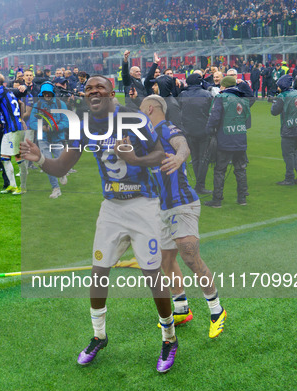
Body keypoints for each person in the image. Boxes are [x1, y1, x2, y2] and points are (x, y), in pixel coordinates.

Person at [20, 75, 179, 373]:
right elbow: (61, 166)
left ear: (110, 93)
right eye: (89, 89)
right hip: (111, 208)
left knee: (152, 275)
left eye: (100, 88)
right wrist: (41, 159)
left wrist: (134, 158)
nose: (94, 92)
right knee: (98, 272)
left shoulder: (133, 119)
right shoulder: (83, 126)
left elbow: (160, 154)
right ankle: (98, 335)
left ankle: (169, 339)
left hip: (143, 204)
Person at [140, 95, 226, 337]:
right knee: (165, 260)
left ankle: (216, 309)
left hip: (182, 204)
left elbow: (183, 145)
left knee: (190, 258)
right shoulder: (147, 137)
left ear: (149, 108)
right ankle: (181, 309)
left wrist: (179, 157)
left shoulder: (166, 128)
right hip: (162, 208)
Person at [204, 76, 253, 207]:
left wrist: (209, 131)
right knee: (241, 169)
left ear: (224, 86)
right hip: (241, 138)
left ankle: (217, 200)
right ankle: (242, 198)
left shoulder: (221, 98)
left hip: (225, 139)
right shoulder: (243, 99)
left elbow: (214, 118)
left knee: (220, 170)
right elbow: (248, 122)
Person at [27, 82, 68, 198]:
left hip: (58, 138)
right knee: (48, 163)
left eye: (49, 93)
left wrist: (56, 127)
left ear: (53, 93)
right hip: (43, 138)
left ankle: (62, 173)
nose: (47, 95)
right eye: (45, 93)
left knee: (60, 162)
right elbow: (33, 122)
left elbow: (67, 121)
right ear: (42, 94)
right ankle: (55, 188)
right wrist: (43, 128)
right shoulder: (37, 105)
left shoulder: (61, 104)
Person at [178, 73, 213, 194]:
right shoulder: (207, 94)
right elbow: (211, 111)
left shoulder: (183, 94)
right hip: (203, 130)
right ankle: (200, 185)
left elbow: (180, 110)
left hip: (189, 131)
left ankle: (199, 185)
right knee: (203, 159)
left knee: (195, 158)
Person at [271, 74, 297, 185]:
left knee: (288, 154)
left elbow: (274, 111)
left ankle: (289, 178)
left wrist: (275, 100)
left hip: (289, 129)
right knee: (294, 152)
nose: (277, 88)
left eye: (278, 86)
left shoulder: (282, 96)